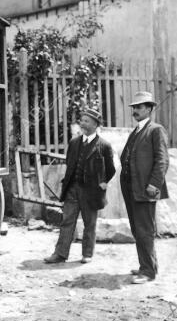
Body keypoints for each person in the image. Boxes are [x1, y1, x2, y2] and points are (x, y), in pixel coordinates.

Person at [44, 107, 116, 264]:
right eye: (82, 120)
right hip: (72, 189)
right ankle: (60, 254)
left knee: (89, 223)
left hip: (91, 192)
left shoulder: (104, 145)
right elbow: (70, 164)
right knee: (67, 221)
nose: (82, 124)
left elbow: (110, 169)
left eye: (86, 121)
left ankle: (87, 254)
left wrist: (103, 183)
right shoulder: (74, 142)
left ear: (95, 124)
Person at [120, 91, 169, 284]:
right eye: (134, 107)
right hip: (131, 188)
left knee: (144, 230)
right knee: (137, 229)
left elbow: (162, 160)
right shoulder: (137, 131)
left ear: (149, 108)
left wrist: (153, 185)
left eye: (139, 107)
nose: (136, 111)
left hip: (145, 189)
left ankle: (148, 272)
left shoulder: (156, 130)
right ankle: (145, 265)